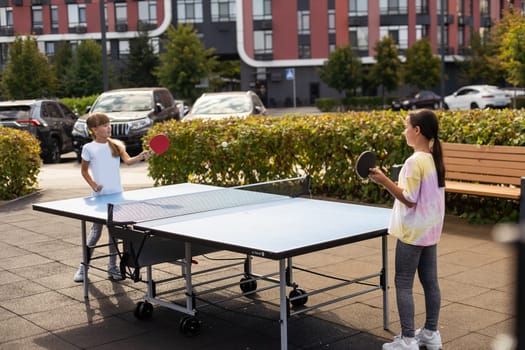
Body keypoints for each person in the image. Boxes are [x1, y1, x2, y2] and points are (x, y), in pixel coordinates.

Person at [368, 109, 445, 350]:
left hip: (412, 233)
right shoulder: (433, 158)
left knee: (403, 283)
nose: (404, 131)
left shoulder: (414, 162)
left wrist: (384, 181)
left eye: (406, 126)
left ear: (417, 130)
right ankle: (431, 333)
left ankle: (408, 340)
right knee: (430, 282)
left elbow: (409, 199)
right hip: (430, 232)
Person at [74, 113, 152, 282]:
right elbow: (84, 171)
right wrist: (94, 185)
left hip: (117, 197)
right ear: (94, 129)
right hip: (100, 198)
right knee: (95, 233)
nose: (108, 127)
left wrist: (140, 157)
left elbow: (128, 161)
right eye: (104, 125)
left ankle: (112, 268)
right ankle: (83, 268)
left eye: (109, 124)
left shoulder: (116, 145)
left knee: (114, 236)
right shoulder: (89, 148)